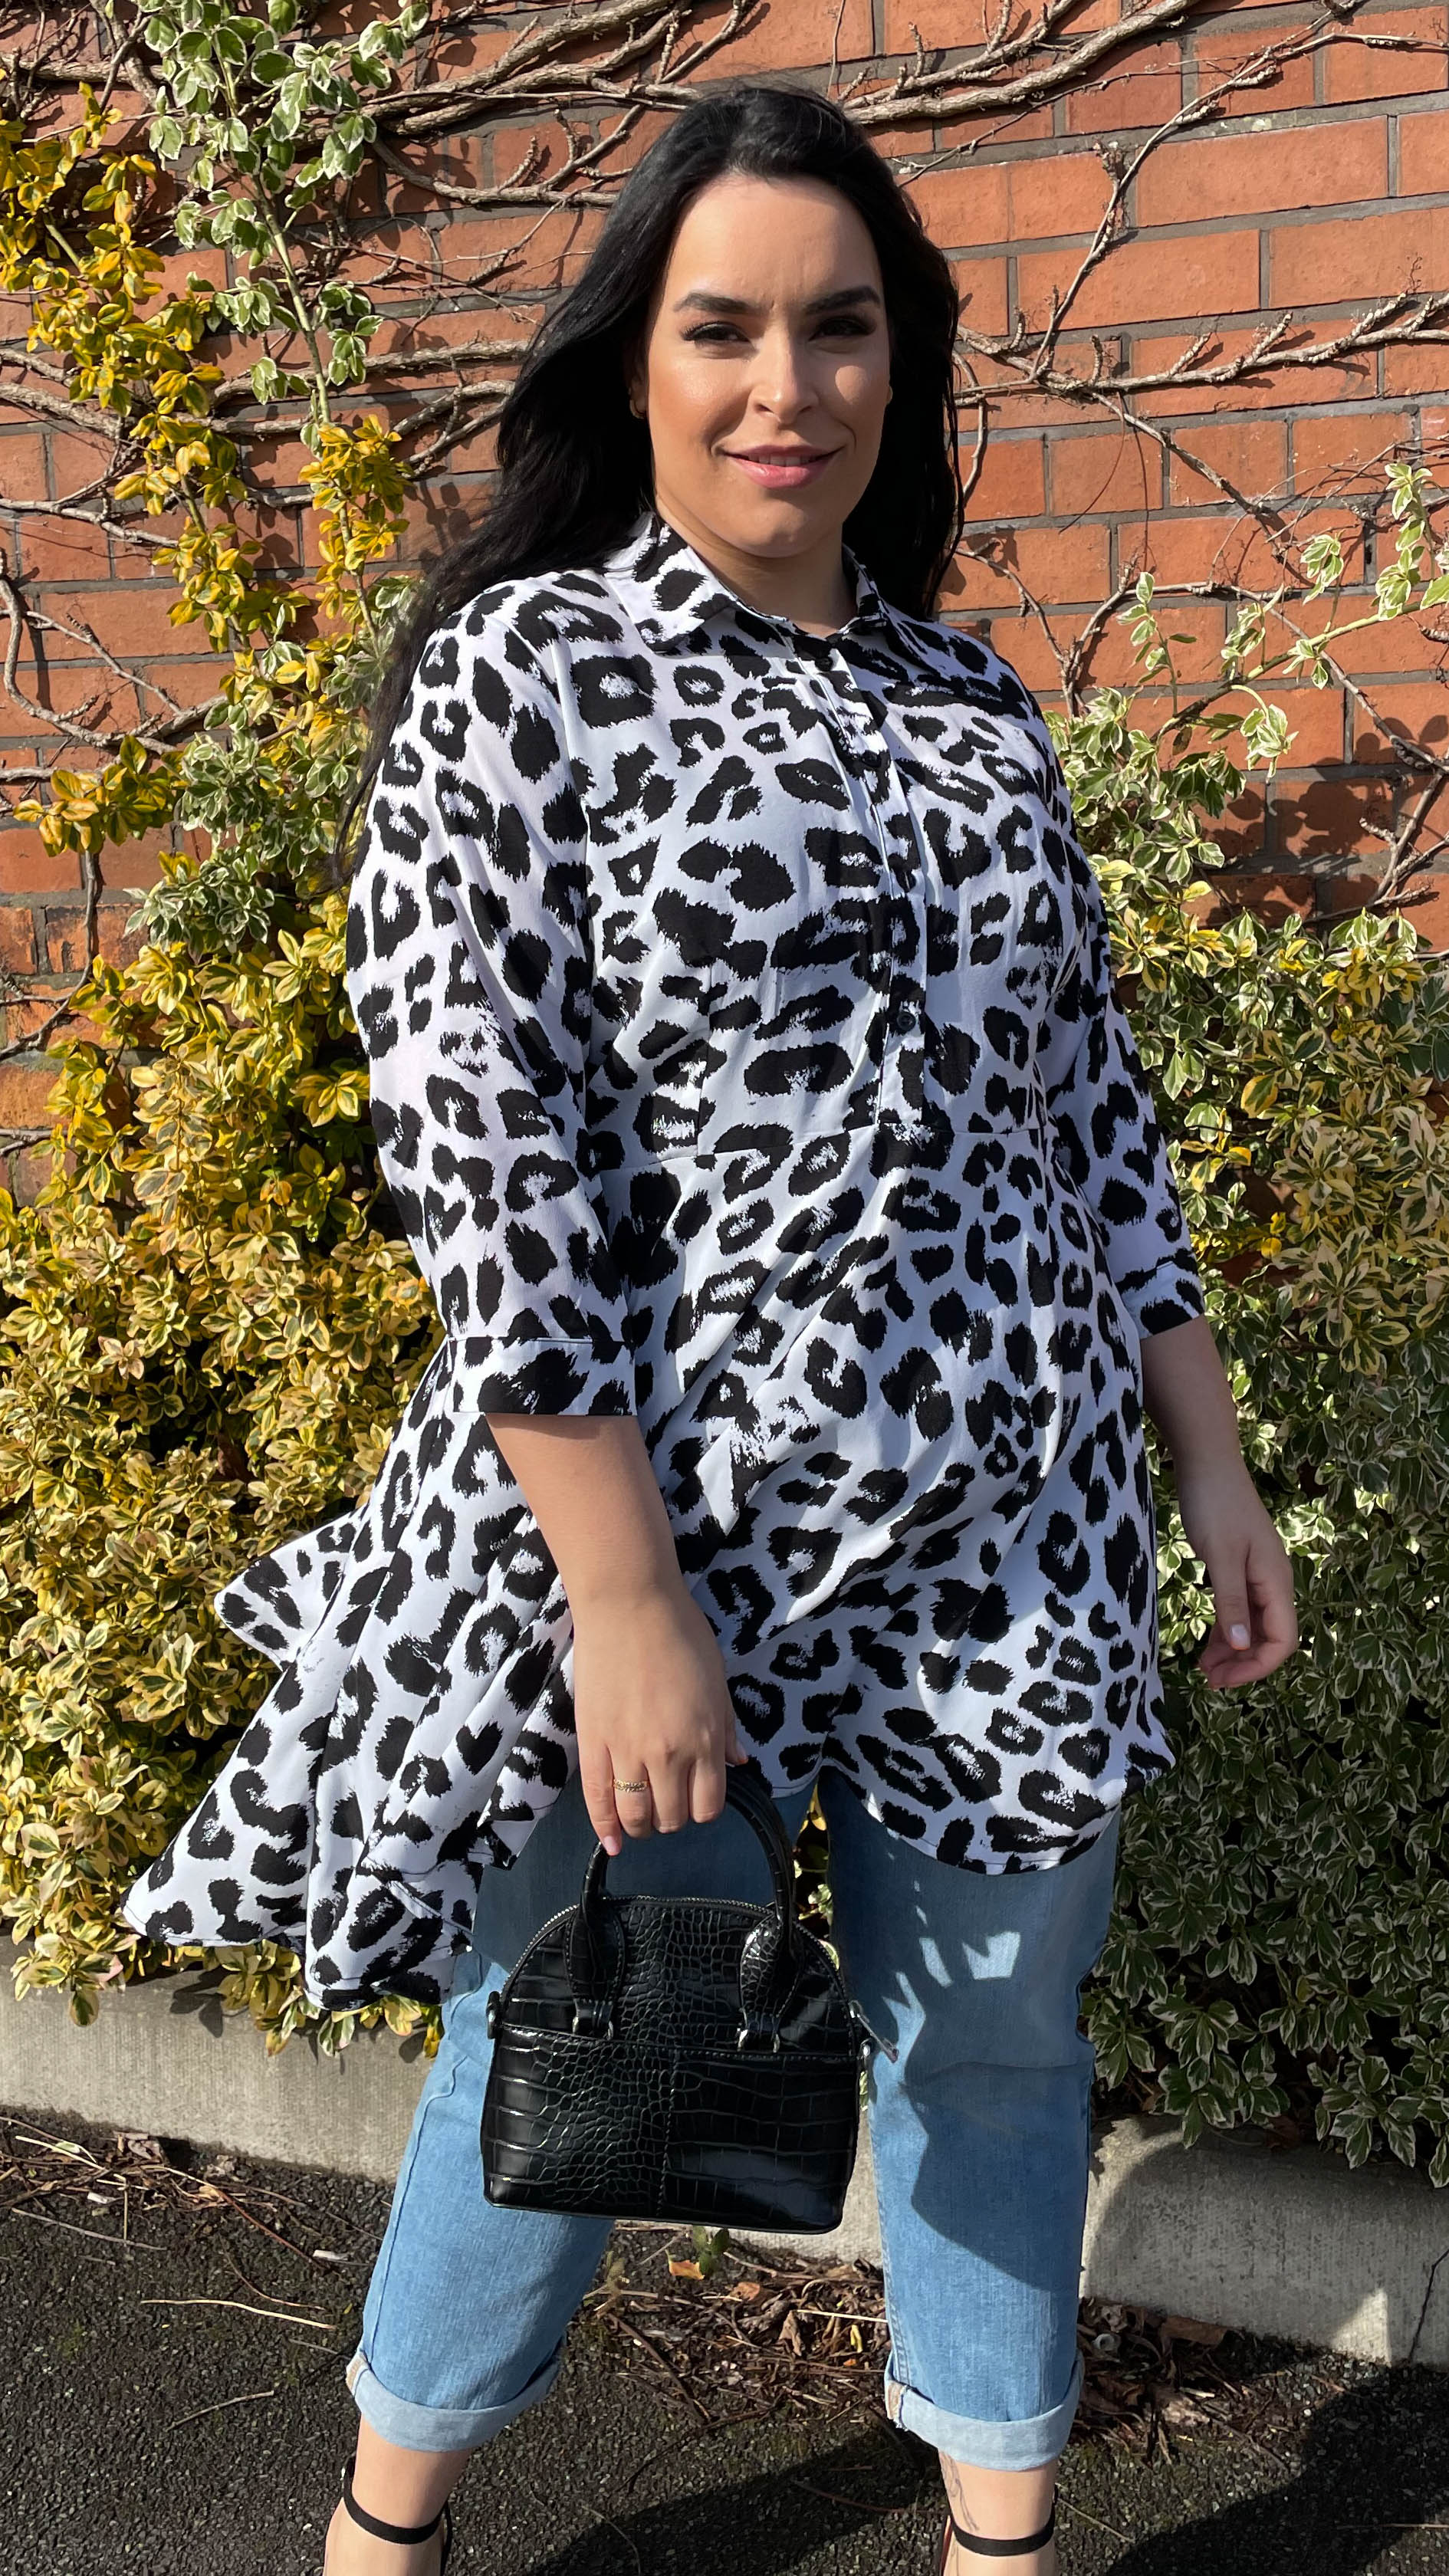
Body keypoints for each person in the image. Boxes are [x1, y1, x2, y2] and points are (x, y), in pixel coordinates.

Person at [122, 80, 1297, 2576]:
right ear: (633, 363)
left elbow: (1091, 1108)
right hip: (651, 1527)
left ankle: (998, 2539)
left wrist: (1204, 1456)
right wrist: (624, 1598)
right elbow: (485, 1163)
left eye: (840, 329)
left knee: (997, 2048)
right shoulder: (525, 681)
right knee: (576, 2043)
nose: (789, 385)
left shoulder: (973, 706)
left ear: (900, 365)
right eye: (725, 328)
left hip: (1008, 1535)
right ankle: (386, 2526)